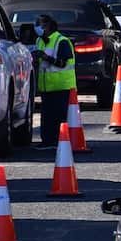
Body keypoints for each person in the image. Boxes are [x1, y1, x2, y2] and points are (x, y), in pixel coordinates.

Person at [32, 14, 75, 148]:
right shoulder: (40, 41)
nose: (37, 28)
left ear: (47, 26)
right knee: (47, 116)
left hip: (61, 86)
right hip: (47, 87)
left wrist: (46, 57)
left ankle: (58, 141)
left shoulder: (61, 41)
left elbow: (62, 63)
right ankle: (47, 141)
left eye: (40, 25)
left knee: (59, 116)